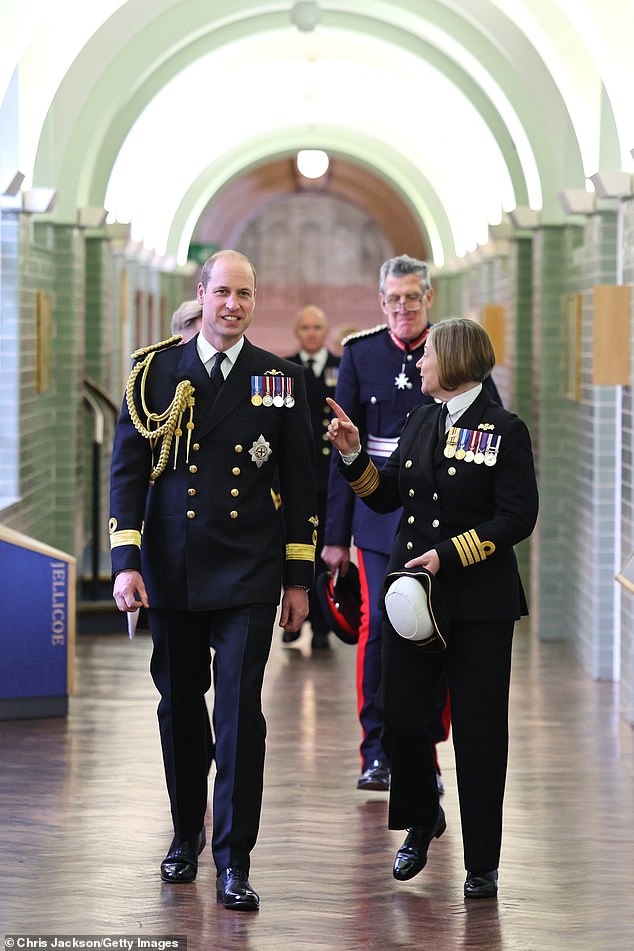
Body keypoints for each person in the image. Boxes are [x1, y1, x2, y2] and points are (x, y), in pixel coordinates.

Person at [109, 250, 318, 912]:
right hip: (173, 569)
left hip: (249, 573)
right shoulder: (156, 371)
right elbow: (126, 473)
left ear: (255, 302)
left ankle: (234, 859)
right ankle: (182, 835)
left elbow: (302, 480)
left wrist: (297, 577)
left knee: (238, 717)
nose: (233, 304)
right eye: (223, 291)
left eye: (246, 294)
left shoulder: (278, 379)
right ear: (201, 295)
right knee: (181, 712)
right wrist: (126, 562)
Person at [326, 316, 538, 899]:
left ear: (455, 363)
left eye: (428, 357)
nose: (418, 364)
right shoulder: (421, 419)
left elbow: (518, 517)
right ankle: (423, 819)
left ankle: (482, 862)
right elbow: (386, 490)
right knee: (402, 717)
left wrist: (450, 555)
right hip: (414, 602)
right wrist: (351, 458)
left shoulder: (504, 429)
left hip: (478, 604)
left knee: (478, 732)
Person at [285, 304, 341, 649]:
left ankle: (321, 623)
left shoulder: (342, 367)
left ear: (325, 331)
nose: (310, 333)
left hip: (330, 478)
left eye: (316, 327)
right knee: (292, 548)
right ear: (297, 332)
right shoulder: (283, 369)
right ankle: (292, 621)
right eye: (304, 327)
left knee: (324, 551)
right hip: (295, 475)